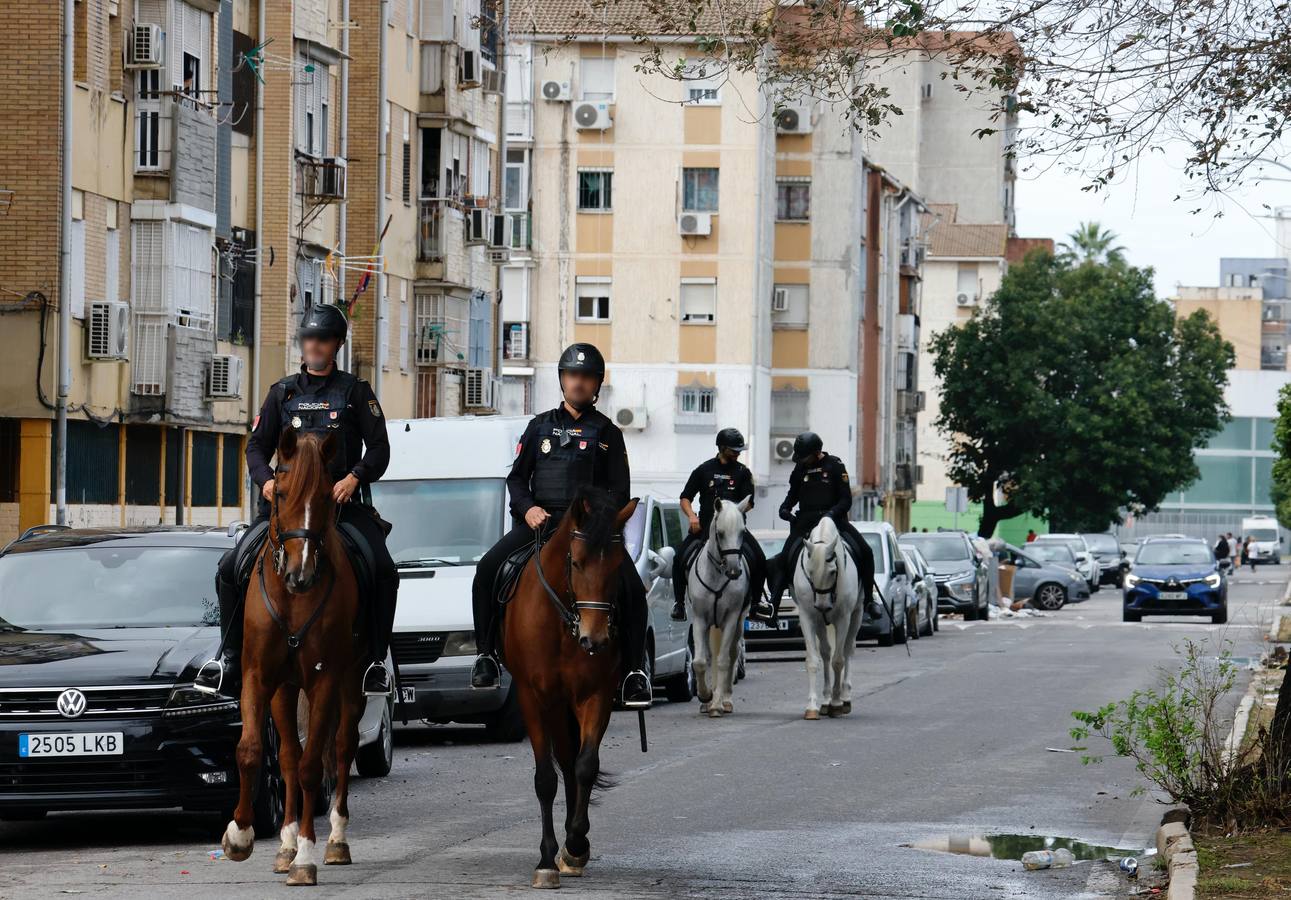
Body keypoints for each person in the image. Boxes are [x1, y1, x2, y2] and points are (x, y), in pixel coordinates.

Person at [196, 304, 398, 698]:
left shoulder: (357, 393)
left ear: (336, 344)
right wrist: (266, 481)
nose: (314, 345)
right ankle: (230, 657)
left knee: (384, 571)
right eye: (308, 338)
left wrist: (354, 478)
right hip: (285, 511)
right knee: (228, 567)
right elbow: (256, 446)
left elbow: (379, 449)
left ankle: (374, 662)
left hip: (339, 509)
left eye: (322, 339)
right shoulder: (282, 392)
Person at [468, 343, 652, 708]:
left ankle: (633, 672)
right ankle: (486, 655)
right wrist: (528, 508)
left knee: (632, 588)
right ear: (562, 380)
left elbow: (620, 490)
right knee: (488, 570)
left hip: (588, 533)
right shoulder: (539, 428)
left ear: (596, 384)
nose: (578, 383)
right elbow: (517, 480)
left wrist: (597, 519)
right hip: (541, 523)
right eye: (572, 376)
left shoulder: (608, 434)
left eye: (585, 377)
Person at [764, 431, 881, 617]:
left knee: (865, 551)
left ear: (817, 452)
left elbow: (846, 500)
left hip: (834, 521)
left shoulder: (835, 465)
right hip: (805, 523)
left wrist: (831, 514)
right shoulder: (800, 468)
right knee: (782, 559)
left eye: (806, 457)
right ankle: (773, 603)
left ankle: (868, 600)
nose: (803, 461)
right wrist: (785, 508)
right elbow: (792, 495)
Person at [669, 427, 771, 623]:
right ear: (722, 448)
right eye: (734, 450)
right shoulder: (703, 470)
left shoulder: (743, 472)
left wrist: (731, 516)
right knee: (679, 558)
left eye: (739, 450)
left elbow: (749, 502)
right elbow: (685, 497)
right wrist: (692, 517)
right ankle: (679, 604)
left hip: (734, 530)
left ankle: (757, 604)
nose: (738, 454)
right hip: (705, 527)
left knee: (759, 558)